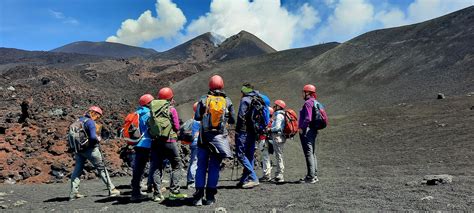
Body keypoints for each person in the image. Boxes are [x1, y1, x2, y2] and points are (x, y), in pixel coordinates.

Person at [193, 75, 236, 206]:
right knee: (214, 167)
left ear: (210, 85)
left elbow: (197, 116)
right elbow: (233, 120)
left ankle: (198, 197)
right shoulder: (227, 101)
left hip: (204, 139)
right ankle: (210, 197)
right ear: (222, 85)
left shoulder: (204, 99)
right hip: (219, 140)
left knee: (201, 167)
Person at [69, 106, 120, 200]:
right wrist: (98, 139)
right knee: (102, 168)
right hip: (91, 150)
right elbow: (92, 137)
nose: (98, 118)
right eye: (98, 116)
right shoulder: (90, 122)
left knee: (77, 170)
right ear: (95, 113)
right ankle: (112, 189)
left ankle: (73, 193)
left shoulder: (79, 120)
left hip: (79, 150)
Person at [150, 87, 186, 202]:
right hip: (170, 141)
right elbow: (176, 126)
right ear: (170, 98)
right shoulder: (171, 109)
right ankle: (174, 192)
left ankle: (157, 194)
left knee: (156, 167)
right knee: (177, 165)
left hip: (156, 142)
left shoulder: (153, 109)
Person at [235, 83, 266, 189]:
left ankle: (253, 178)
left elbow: (241, 116)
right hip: (253, 131)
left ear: (244, 91)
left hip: (244, 132)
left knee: (240, 154)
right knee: (249, 155)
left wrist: (237, 130)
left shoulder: (245, 100)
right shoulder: (256, 99)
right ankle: (245, 179)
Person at [130, 94, 155, 201]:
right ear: (148, 103)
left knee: (138, 169)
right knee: (153, 166)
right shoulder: (148, 114)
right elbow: (152, 129)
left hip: (137, 143)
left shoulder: (136, 113)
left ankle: (135, 191)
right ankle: (138, 192)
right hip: (147, 143)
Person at [260, 100, 287, 183]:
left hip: (277, 137)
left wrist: (269, 129)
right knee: (279, 156)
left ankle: (280, 175)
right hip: (279, 137)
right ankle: (278, 174)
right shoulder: (282, 115)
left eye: (275, 105)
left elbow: (277, 127)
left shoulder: (279, 115)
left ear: (279, 106)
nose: (274, 107)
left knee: (279, 156)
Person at [299, 84, 320, 183]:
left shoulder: (308, 103)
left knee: (308, 153)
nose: (302, 94)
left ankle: (310, 177)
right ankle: (314, 175)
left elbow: (308, 118)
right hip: (313, 130)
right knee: (312, 153)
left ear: (308, 93)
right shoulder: (315, 102)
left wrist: (302, 128)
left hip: (307, 130)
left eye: (304, 92)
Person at [186, 102, 201, 188]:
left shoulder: (193, 118)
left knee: (193, 161)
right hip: (198, 142)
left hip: (193, 142)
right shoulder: (200, 119)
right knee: (195, 162)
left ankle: (190, 180)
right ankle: (191, 182)